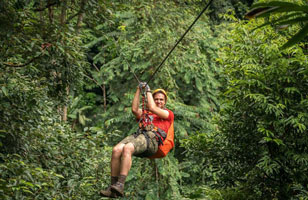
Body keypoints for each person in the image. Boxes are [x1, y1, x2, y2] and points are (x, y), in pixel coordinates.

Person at [100, 83, 174, 198]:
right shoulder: (147, 114)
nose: (159, 102)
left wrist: (148, 91)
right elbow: (134, 109)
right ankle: (112, 186)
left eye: (161, 100)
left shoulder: (168, 114)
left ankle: (120, 184)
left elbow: (153, 107)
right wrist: (139, 90)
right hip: (140, 136)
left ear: (165, 102)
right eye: (156, 99)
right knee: (116, 150)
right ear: (153, 100)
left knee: (128, 148)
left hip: (152, 140)